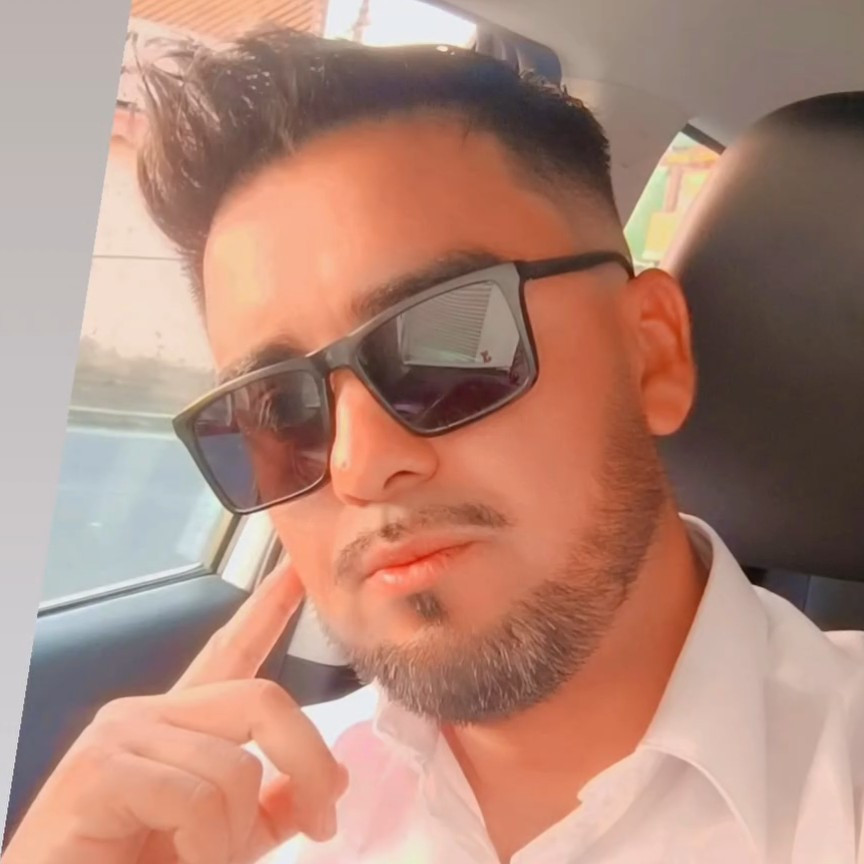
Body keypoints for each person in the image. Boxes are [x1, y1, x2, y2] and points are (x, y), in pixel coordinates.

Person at [6, 26, 864, 864]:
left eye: (446, 347)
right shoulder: (223, 824)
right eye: (278, 409)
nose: (358, 464)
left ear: (651, 354)